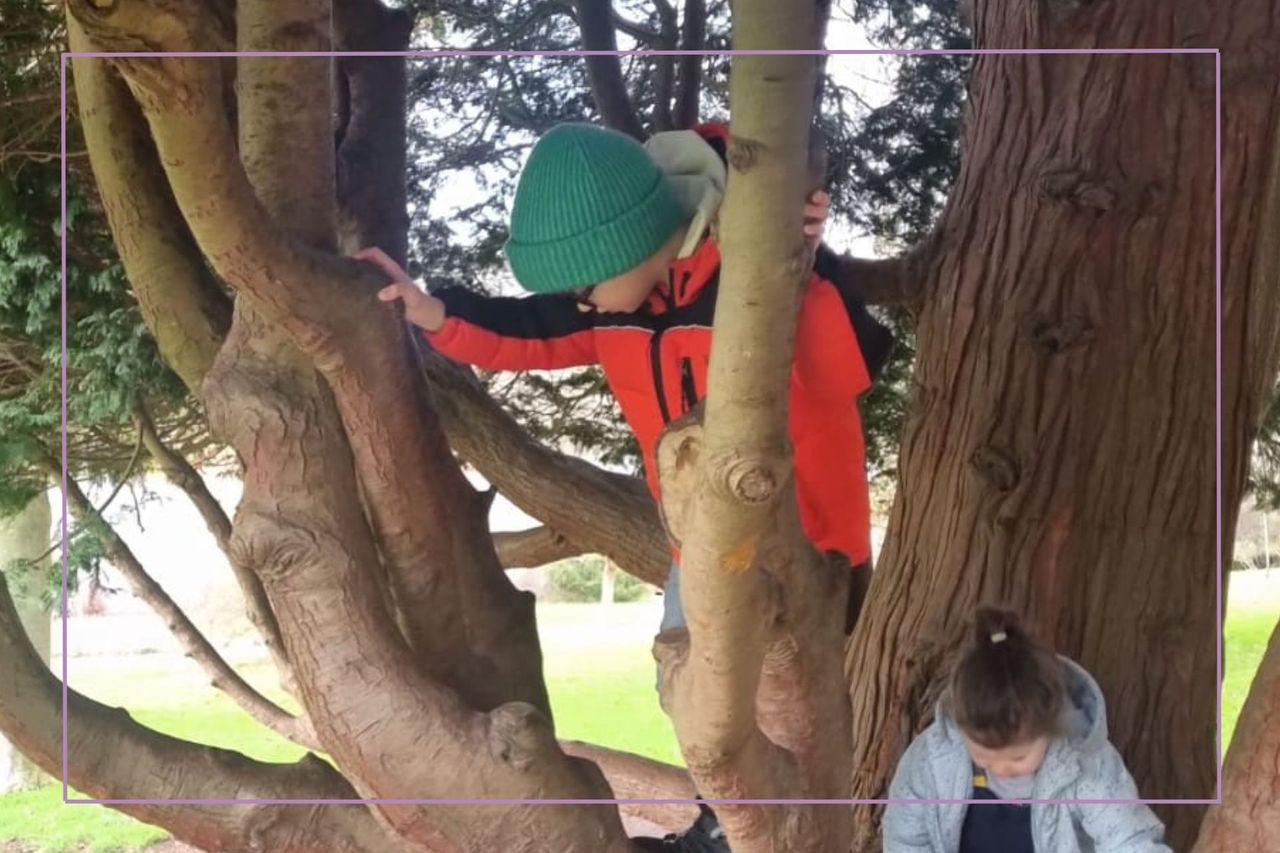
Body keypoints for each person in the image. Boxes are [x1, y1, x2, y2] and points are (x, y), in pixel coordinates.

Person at [359, 121, 892, 851]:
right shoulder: (615, 303)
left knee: (791, 715)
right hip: (700, 547)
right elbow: (528, 331)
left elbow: (847, 373)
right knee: (695, 695)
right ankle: (726, 826)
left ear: (629, 245)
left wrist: (794, 267)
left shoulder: (750, 281)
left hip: (812, 546)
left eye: (584, 285)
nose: (579, 303)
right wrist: (435, 313)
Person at [883, 606, 1172, 853]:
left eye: (1018, 758)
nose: (1001, 769)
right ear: (962, 727)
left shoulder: (1084, 763)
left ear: (1051, 724)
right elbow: (906, 837)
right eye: (984, 756)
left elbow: (1126, 836)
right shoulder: (931, 760)